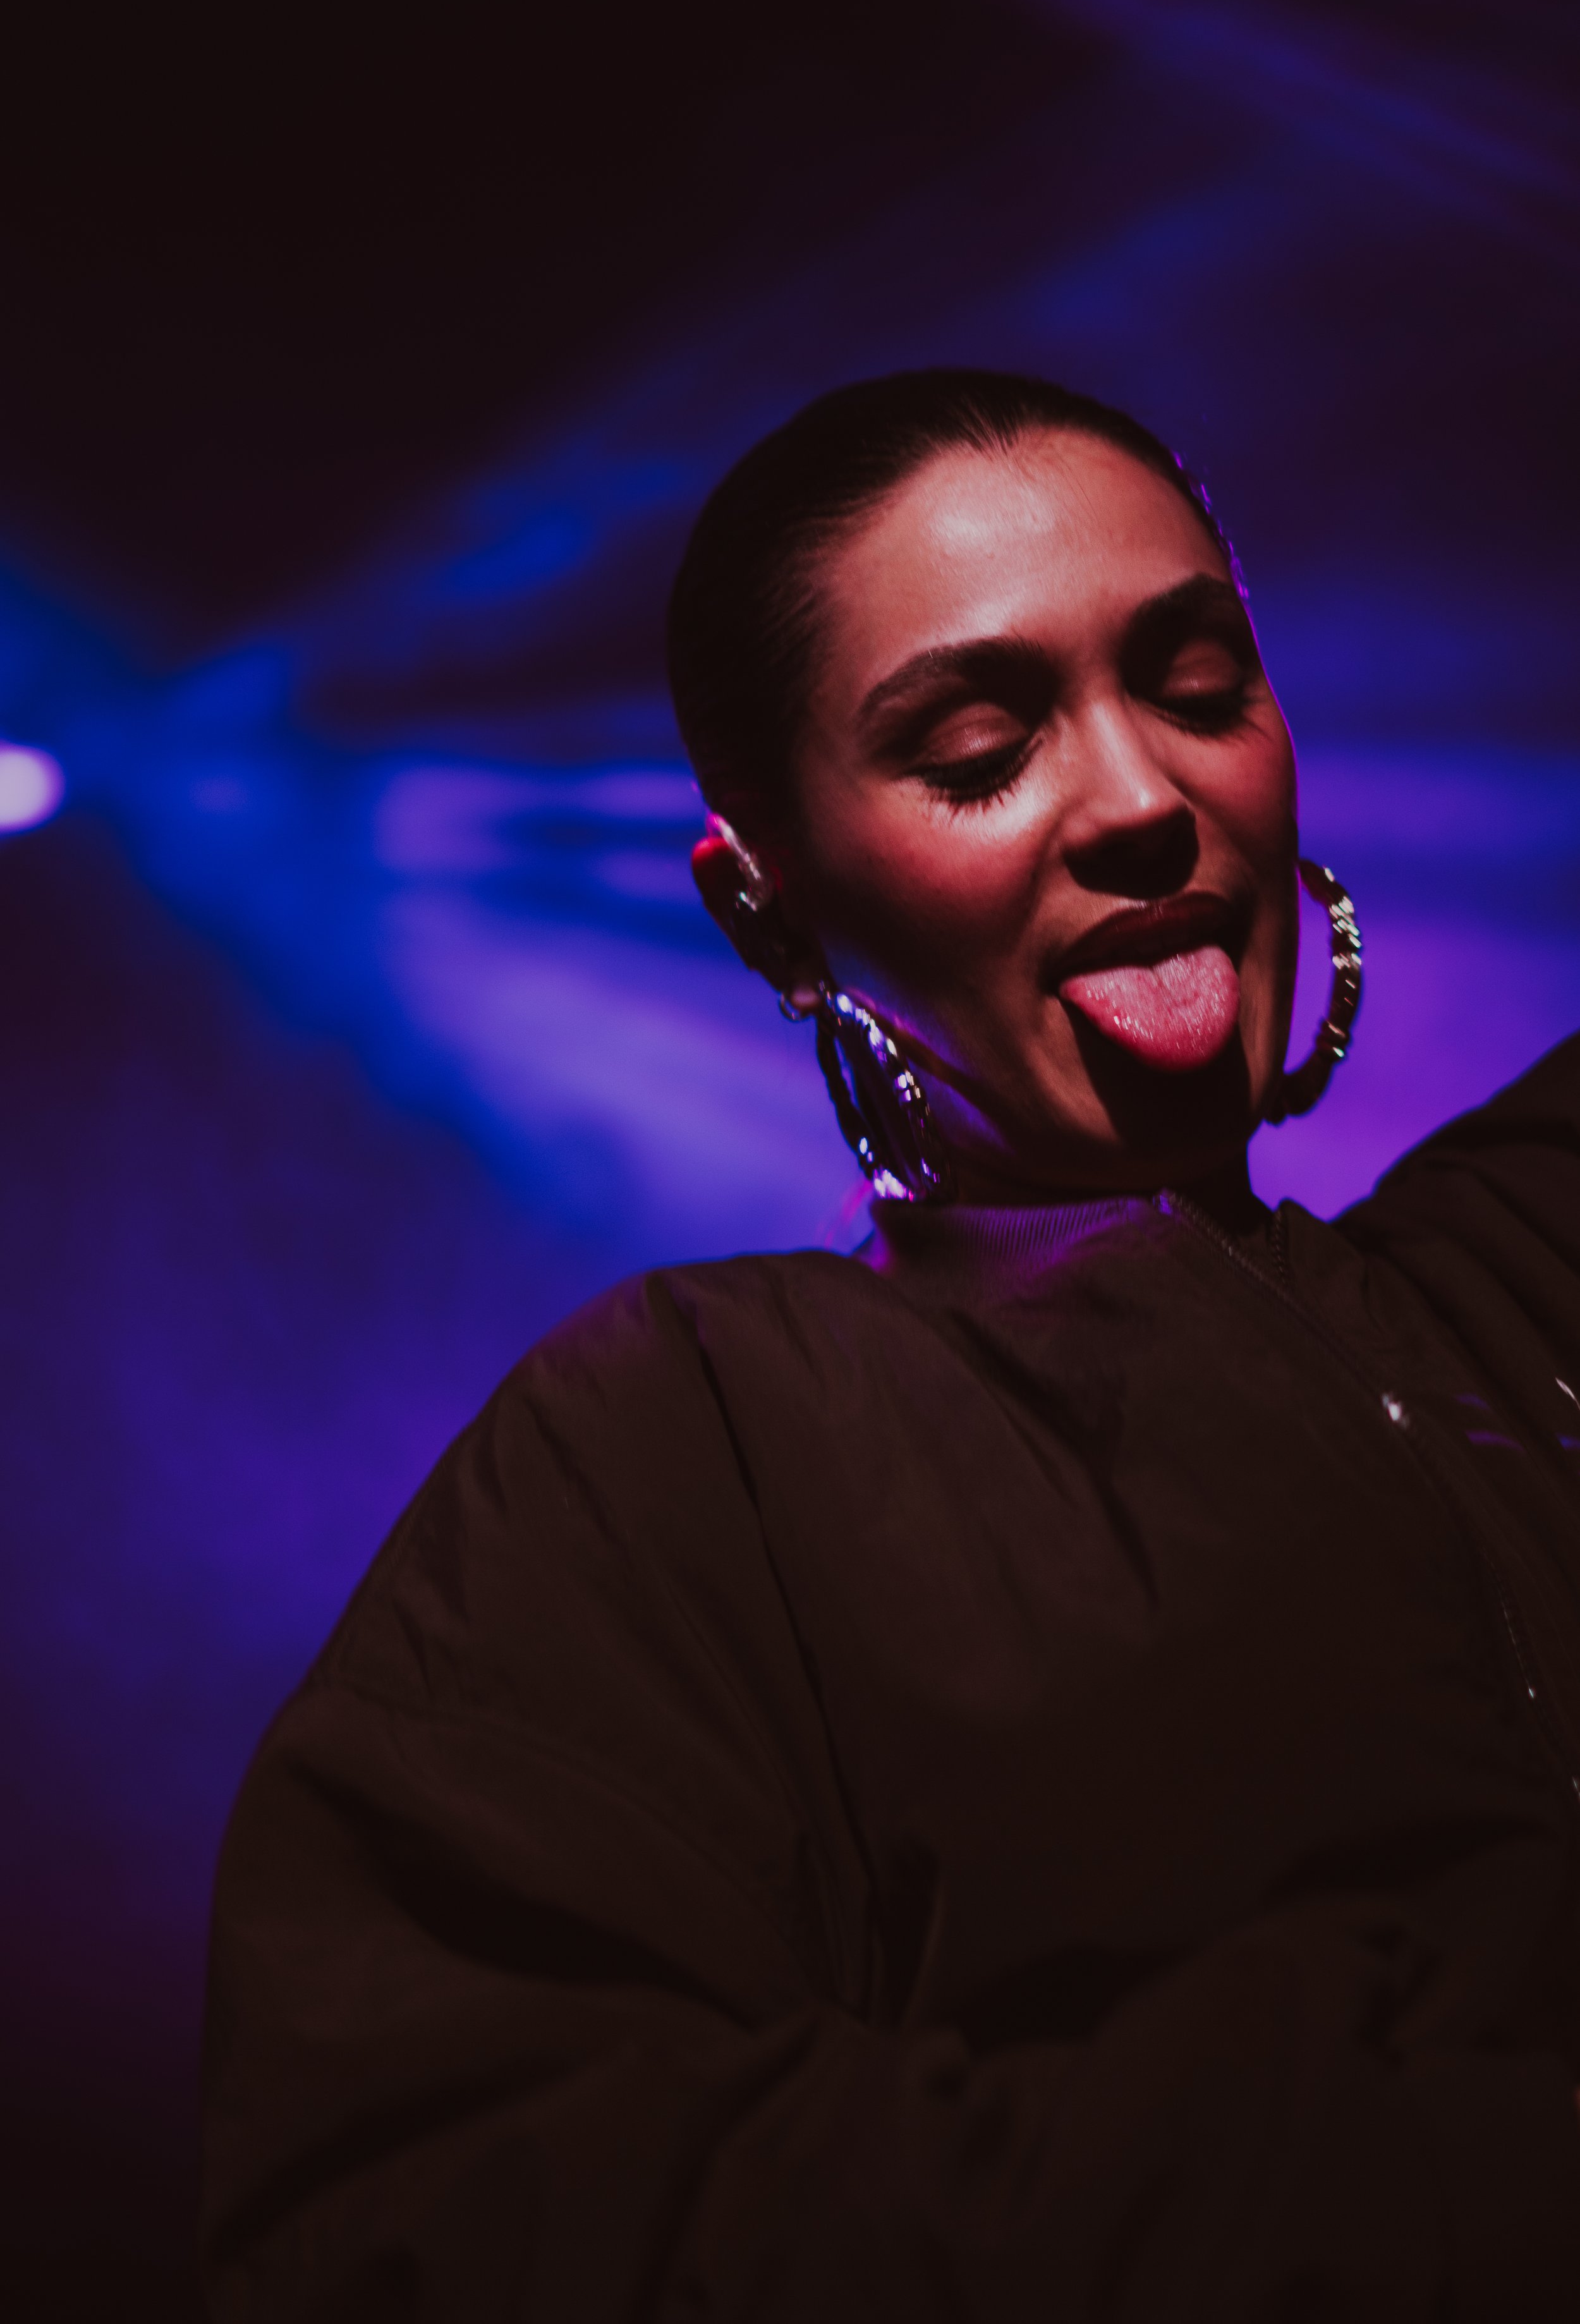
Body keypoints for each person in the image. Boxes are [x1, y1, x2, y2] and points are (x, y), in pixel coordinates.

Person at [200, 372, 1580, 2320]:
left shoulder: (1528, 1266)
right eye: (974, 747)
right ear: (767, 912)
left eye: (1195, 689)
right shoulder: (693, 1438)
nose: (1138, 798)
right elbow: (433, 2212)